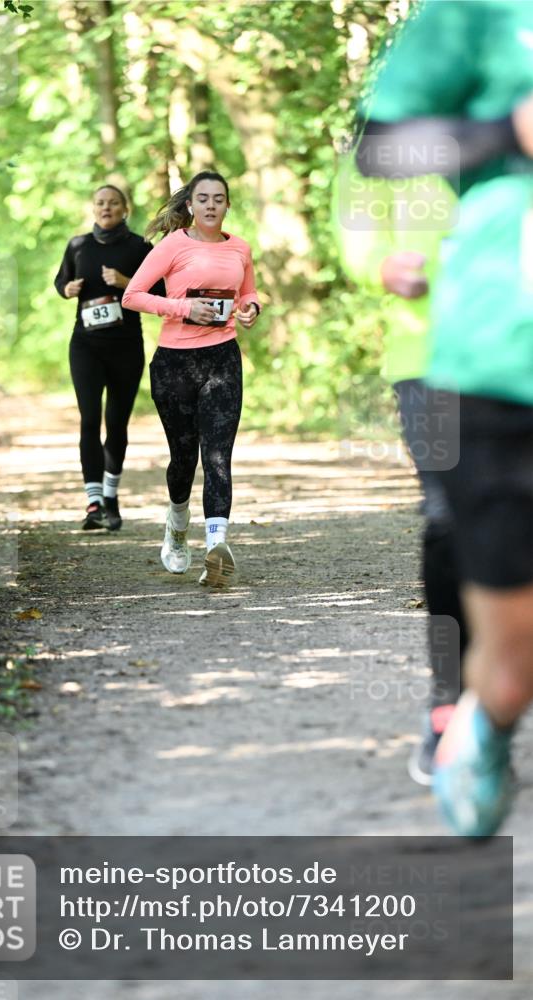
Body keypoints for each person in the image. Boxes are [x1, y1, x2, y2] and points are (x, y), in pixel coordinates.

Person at [356, 0, 533, 837]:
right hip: (456, 363)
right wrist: (508, 129)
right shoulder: (473, 21)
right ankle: (461, 706)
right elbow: (372, 161)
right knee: (442, 529)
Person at [332, 153, 463, 785]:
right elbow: (358, 202)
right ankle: (449, 702)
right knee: (448, 520)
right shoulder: (413, 105)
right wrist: (376, 261)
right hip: (428, 354)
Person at [122, 170, 261, 588]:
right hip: (175, 364)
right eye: (203, 198)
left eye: (219, 198)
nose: (211, 205)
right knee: (184, 460)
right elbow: (132, 295)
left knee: (218, 455)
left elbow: (248, 294)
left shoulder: (240, 248)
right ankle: (177, 529)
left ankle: (216, 545)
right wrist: (183, 309)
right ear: (190, 205)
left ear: (228, 204)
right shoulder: (173, 245)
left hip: (223, 359)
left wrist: (251, 310)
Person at [54, 184, 164, 532]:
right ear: (93, 208)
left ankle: (111, 499)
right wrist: (67, 290)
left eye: (113, 203)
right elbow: (61, 282)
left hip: (126, 345)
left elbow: (161, 293)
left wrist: (124, 281)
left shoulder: (138, 247)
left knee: (116, 423)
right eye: (101, 203)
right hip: (85, 345)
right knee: (89, 420)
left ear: (125, 209)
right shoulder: (78, 245)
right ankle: (93, 502)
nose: (106, 208)